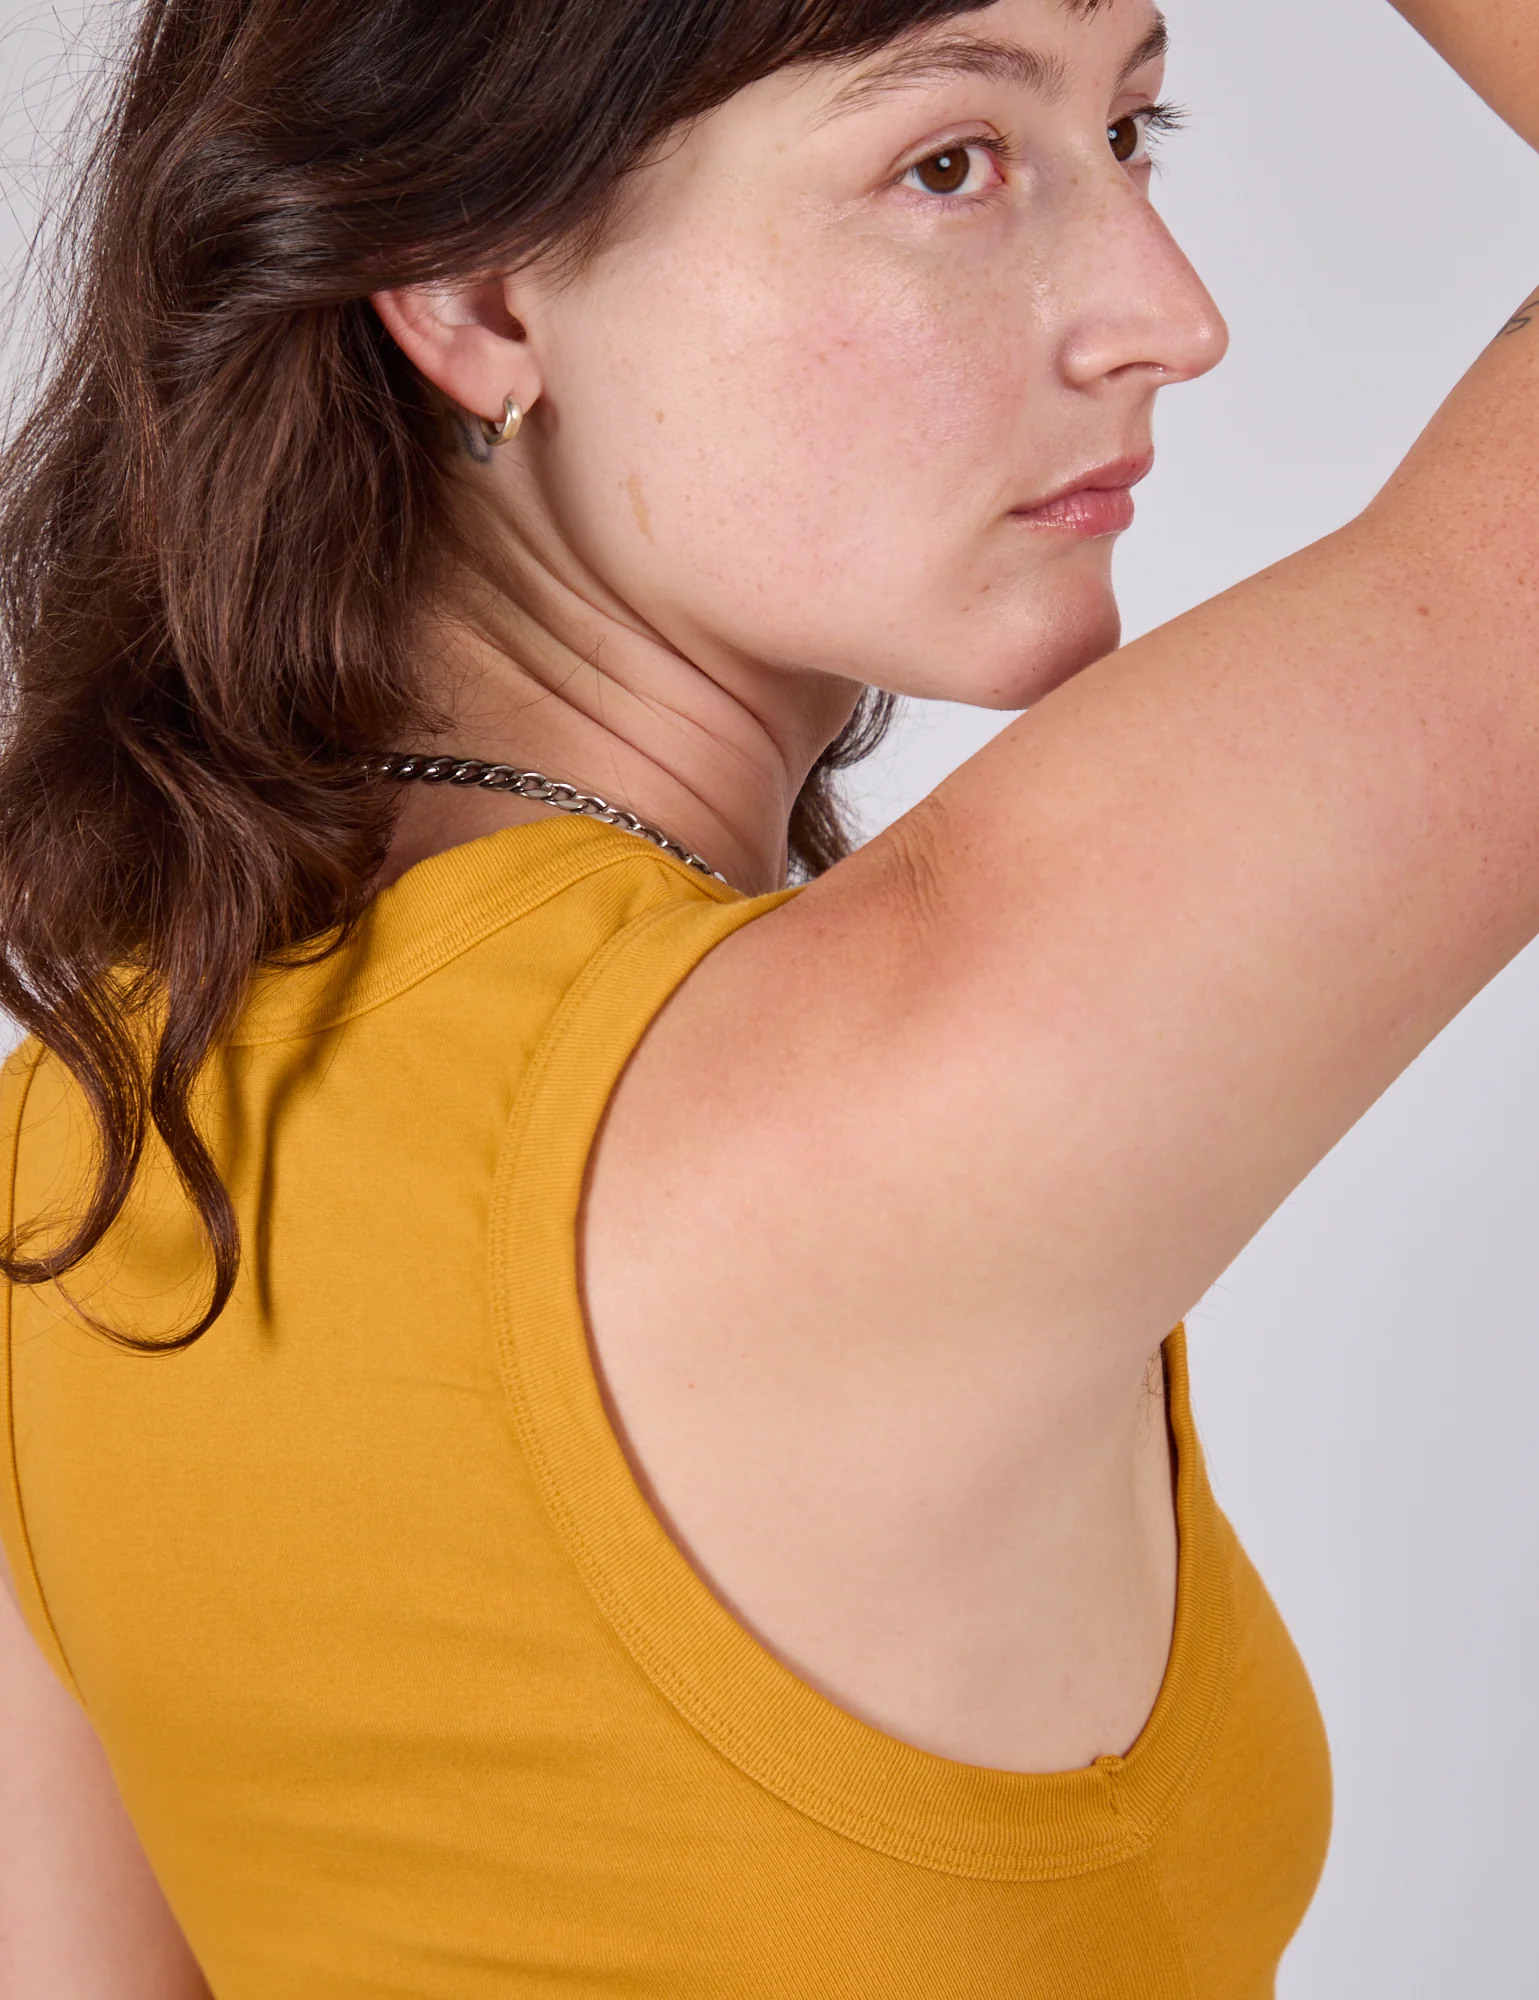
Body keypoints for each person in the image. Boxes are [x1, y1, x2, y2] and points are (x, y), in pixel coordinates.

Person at [0, 0, 1534, 1990]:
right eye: (950, 164)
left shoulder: (88, 1154)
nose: (1168, 312)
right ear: (477, 294)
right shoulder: (874, 1082)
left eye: (1132, 132)